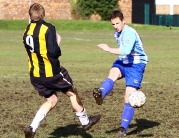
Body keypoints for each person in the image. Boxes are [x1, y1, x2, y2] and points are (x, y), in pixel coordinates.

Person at [22, 3, 100, 138]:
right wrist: (58, 41)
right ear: (43, 14)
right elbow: (54, 52)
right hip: (51, 72)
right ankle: (85, 121)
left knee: (51, 100)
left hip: (35, 75)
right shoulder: (48, 28)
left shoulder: (26, 30)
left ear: (30, 15)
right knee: (72, 92)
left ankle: (32, 127)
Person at [93, 10, 148, 137]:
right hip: (124, 61)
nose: (116, 26)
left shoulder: (129, 32)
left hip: (136, 64)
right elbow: (124, 54)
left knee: (128, 97)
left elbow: (126, 50)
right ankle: (101, 93)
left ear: (123, 21)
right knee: (112, 73)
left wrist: (108, 49)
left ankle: (123, 129)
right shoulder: (117, 32)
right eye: (113, 24)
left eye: (118, 23)